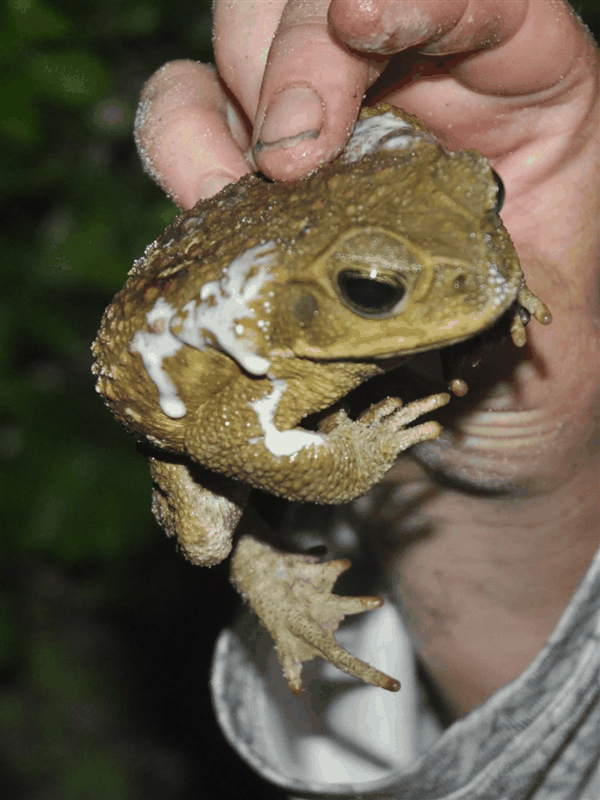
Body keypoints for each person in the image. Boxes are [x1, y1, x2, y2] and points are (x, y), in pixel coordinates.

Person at [135, 1, 599, 797]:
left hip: (327, 270)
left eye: (486, 196)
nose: (485, 263)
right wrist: (346, 465)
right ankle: (257, 559)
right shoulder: (260, 344)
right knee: (209, 534)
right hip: (203, 394)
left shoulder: (416, 189)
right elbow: (218, 435)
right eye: (377, 287)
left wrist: (475, 257)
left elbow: (440, 214)